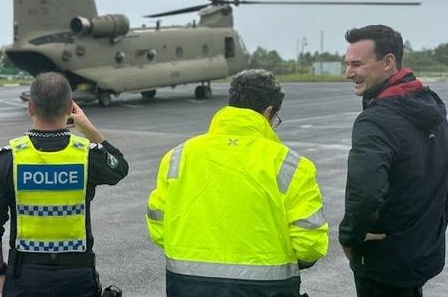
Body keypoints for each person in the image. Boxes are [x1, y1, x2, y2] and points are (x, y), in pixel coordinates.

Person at [146, 69, 328, 297]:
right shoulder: (292, 165)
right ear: (269, 113)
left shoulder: (178, 156)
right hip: (265, 289)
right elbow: (309, 243)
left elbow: (158, 223)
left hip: (187, 286)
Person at [0, 72, 129, 297]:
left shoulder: (8, 160)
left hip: (25, 278)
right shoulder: (86, 155)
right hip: (78, 277)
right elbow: (120, 168)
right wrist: (88, 128)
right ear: (70, 108)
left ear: (30, 108)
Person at [340, 24, 448, 297]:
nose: (348, 73)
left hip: (385, 262)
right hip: (423, 254)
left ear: (388, 62)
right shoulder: (431, 107)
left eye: (356, 64)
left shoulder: (375, 121)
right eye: (347, 64)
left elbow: (364, 194)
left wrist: (350, 239)